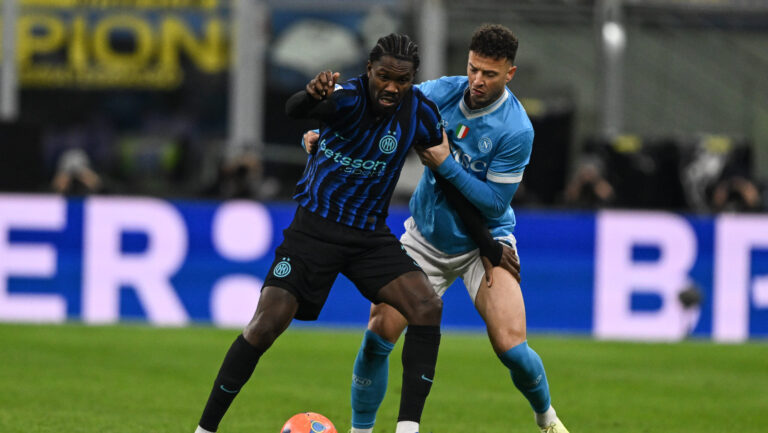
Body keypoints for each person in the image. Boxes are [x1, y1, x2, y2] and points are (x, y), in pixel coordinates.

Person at [195, 33, 471, 433]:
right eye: (384, 76)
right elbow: (295, 110)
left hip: (368, 238)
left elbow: (443, 171)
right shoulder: (347, 98)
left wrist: (486, 239)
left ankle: (408, 429)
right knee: (265, 325)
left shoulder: (420, 114)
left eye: (403, 79)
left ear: (413, 79)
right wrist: (310, 95)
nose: (392, 87)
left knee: (426, 306)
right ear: (369, 71)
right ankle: (205, 430)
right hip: (313, 232)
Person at [303, 24, 570, 433]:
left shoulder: (516, 130)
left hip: (486, 242)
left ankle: (546, 418)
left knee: (511, 347)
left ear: (510, 74)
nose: (478, 81)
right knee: (378, 334)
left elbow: (495, 203)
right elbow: (381, 108)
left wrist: (445, 163)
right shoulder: (442, 92)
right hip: (424, 238)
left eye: (490, 74)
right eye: (474, 68)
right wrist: (327, 136)